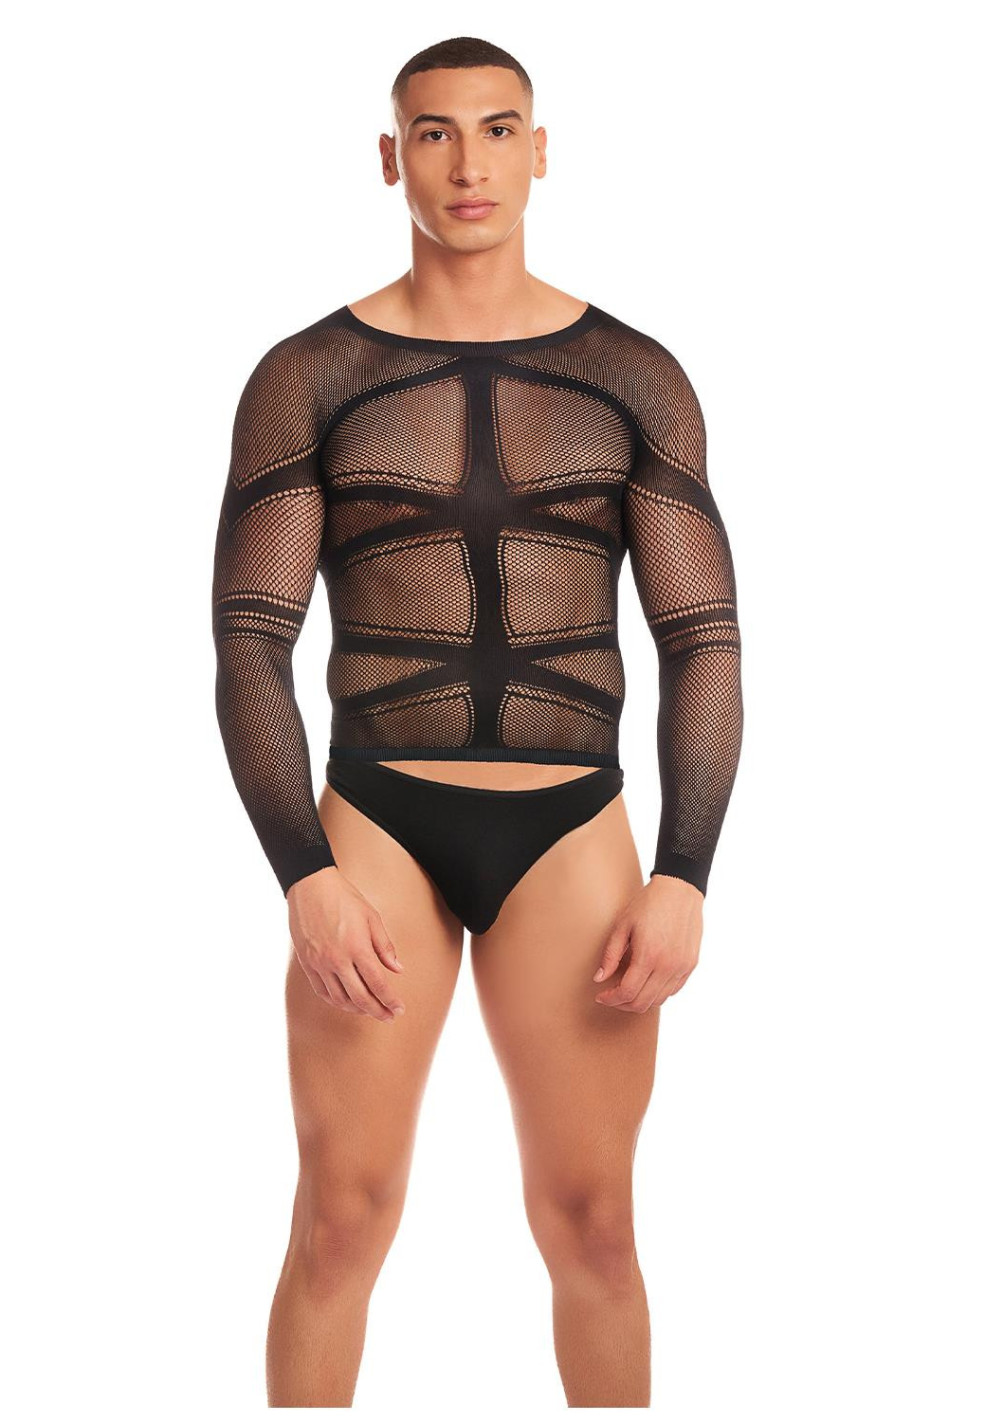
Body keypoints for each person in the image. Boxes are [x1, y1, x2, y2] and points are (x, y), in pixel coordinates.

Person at [211, 35, 743, 1408]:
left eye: (498, 130)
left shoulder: (634, 375)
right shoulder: (310, 373)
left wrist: (686, 871)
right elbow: (252, 636)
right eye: (436, 134)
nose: (468, 165)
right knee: (340, 1218)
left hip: (572, 822)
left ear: (540, 151)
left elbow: (702, 637)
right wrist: (303, 874)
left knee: (596, 1228)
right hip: (376, 815)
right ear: (391, 157)